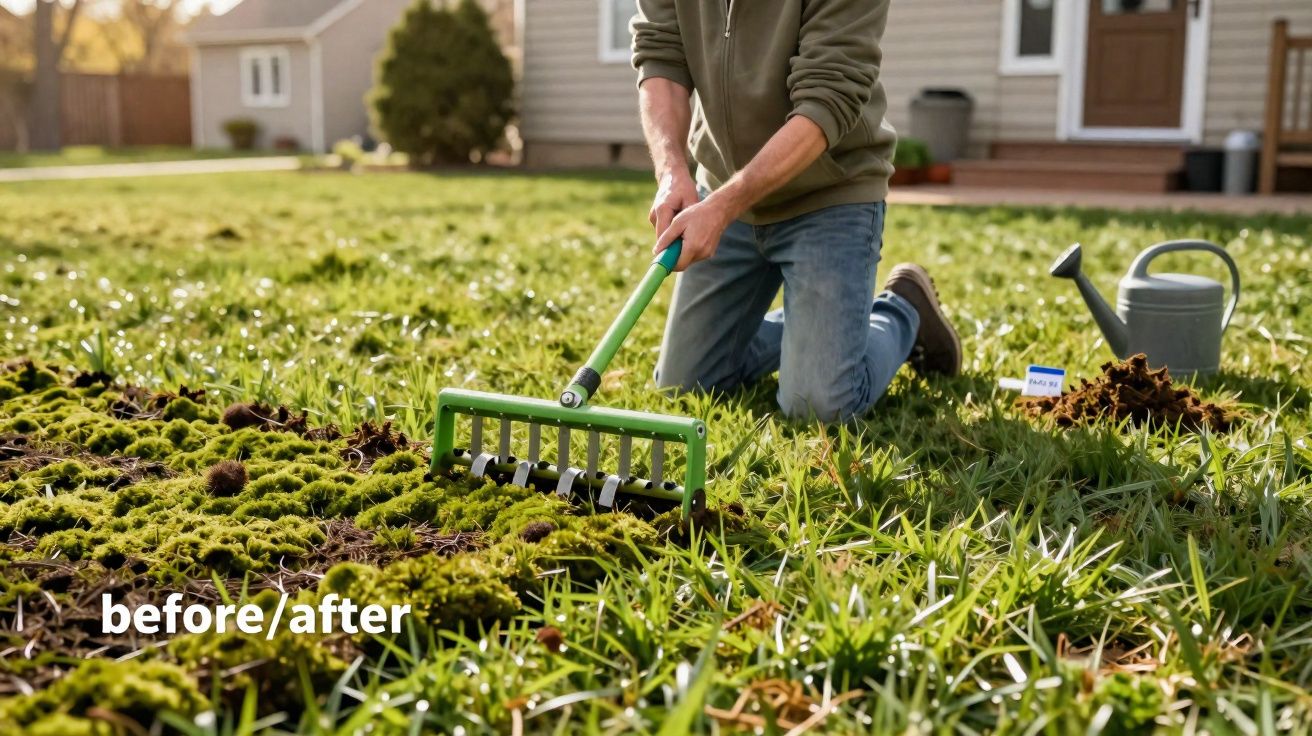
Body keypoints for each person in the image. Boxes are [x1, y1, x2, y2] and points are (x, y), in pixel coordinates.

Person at [632, 0, 962, 422]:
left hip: (828, 195)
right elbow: (661, 55)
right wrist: (671, 172)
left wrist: (723, 206)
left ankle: (901, 309)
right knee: (684, 386)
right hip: (720, 191)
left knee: (818, 408)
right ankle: (822, 332)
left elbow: (828, 98)